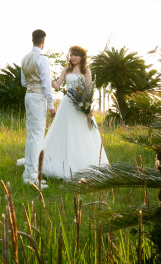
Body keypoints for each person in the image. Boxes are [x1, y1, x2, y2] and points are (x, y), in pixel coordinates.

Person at [40, 45, 109, 180]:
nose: (73, 57)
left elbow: (88, 89)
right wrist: (49, 80)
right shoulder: (66, 70)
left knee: (82, 131)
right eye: (71, 55)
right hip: (67, 103)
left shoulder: (86, 71)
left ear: (82, 57)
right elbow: (57, 85)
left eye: (76, 55)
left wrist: (87, 107)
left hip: (81, 104)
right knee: (65, 131)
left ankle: (84, 161)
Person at [20, 29, 55, 187]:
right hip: (38, 98)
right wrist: (51, 106)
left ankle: (28, 174)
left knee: (31, 136)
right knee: (37, 137)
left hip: (28, 96)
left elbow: (23, 82)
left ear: (32, 40)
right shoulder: (42, 58)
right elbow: (47, 85)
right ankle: (33, 177)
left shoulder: (25, 58)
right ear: (43, 42)